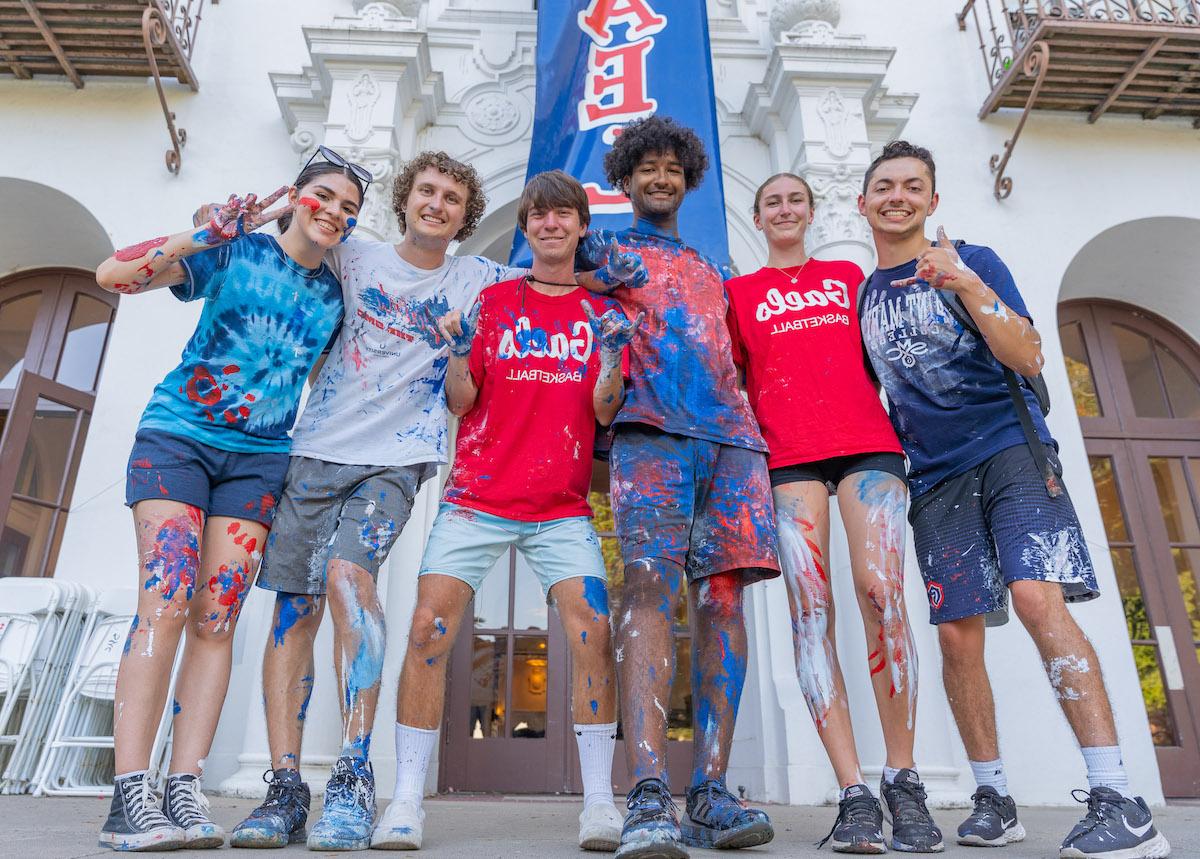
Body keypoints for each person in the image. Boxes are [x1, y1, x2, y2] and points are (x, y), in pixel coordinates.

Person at [226, 151, 645, 851]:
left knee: (360, 588)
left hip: (440, 473)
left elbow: (565, 296)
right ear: (405, 197)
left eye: (453, 196)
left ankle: (369, 783)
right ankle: (301, 786)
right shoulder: (362, 257)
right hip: (349, 459)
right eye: (427, 190)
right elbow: (302, 242)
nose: (438, 203)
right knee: (312, 616)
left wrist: (617, 305)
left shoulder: (494, 281)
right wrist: (261, 216)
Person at [857, 140, 1171, 859]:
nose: (897, 196)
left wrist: (965, 282)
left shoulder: (976, 260)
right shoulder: (867, 297)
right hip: (934, 478)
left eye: (913, 185)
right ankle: (994, 796)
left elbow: (1028, 354)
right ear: (864, 200)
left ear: (932, 201)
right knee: (956, 635)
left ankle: (1119, 797)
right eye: (885, 186)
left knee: (1036, 598)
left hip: (1011, 449)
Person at [94, 154, 364, 851]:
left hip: (258, 462)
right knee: (166, 598)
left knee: (217, 621)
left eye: (348, 206)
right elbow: (112, 276)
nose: (334, 211)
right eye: (324, 195)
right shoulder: (234, 249)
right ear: (297, 196)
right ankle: (129, 794)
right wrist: (202, 234)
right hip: (177, 439)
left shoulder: (336, 298)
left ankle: (182, 787)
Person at [371, 170, 639, 852]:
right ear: (526, 228)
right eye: (539, 216)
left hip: (562, 506)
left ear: (582, 226)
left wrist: (611, 355)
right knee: (429, 628)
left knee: (591, 632)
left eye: (563, 216)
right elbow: (461, 401)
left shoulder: (600, 310)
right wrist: (460, 352)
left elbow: (605, 408)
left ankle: (601, 803)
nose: (551, 225)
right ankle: (404, 800)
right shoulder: (493, 300)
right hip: (476, 496)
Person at [579, 115, 779, 859]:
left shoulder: (710, 265)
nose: (660, 178)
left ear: (687, 178)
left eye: (672, 168)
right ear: (625, 178)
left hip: (733, 443)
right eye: (647, 168)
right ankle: (650, 791)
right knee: (648, 594)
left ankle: (713, 789)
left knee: (724, 603)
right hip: (648, 435)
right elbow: (552, 265)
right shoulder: (607, 250)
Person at [725, 172, 937, 853]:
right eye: (772, 201)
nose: (784, 209)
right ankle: (853, 793)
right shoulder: (740, 294)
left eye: (795, 199)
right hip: (787, 460)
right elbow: (732, 384)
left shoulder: (848, 276)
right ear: (758, 218)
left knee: (883, 594)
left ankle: (903, 780)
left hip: (870, 449)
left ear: (812, 212)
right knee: (810, 610)